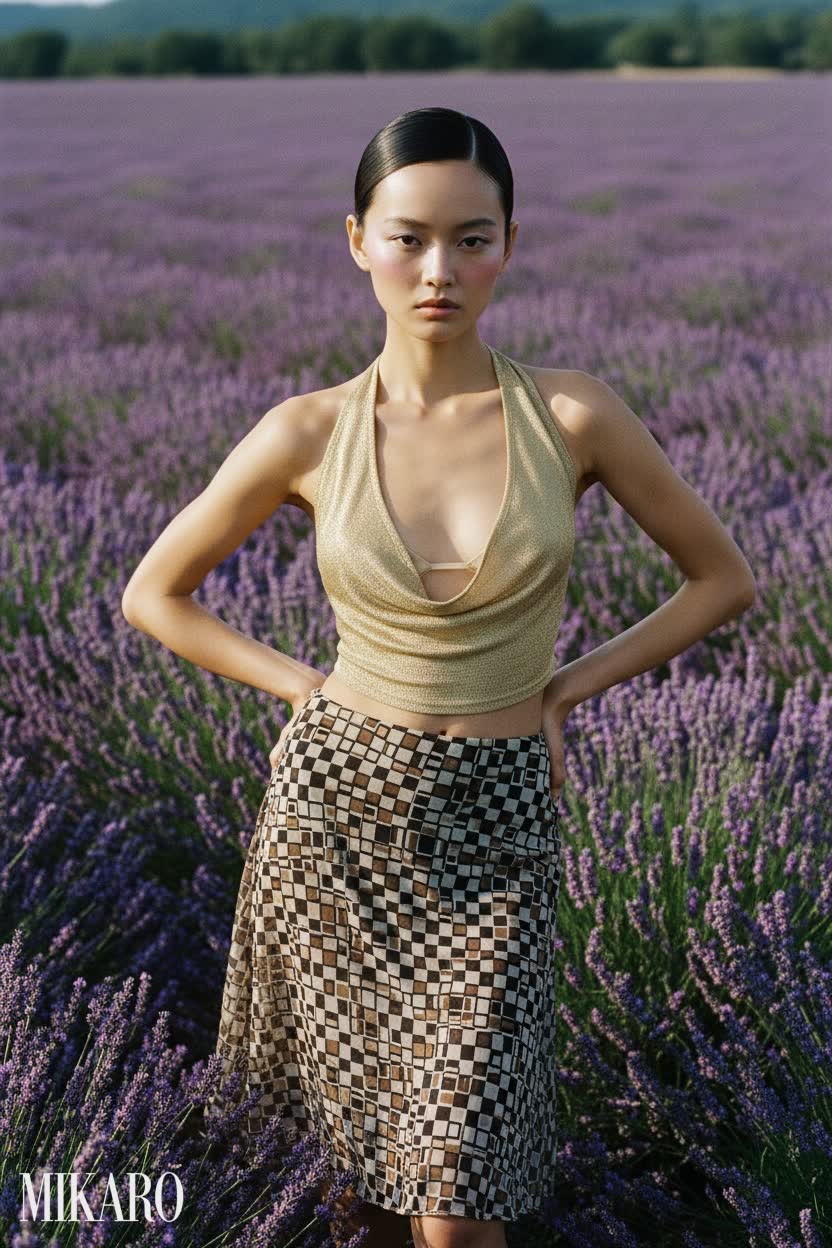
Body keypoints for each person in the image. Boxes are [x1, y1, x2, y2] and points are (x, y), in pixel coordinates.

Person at [121, 106, 756, 1248]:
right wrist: (305, 690)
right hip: (335, 820)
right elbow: (153, 594)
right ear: (356, 240)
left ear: (510, 242)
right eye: (408, 237)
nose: (439, 270)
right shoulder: (307, 432)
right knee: (354, 1188)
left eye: (472, 238)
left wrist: (561, 690)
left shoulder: (572, 414)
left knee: (458, 1197)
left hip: (499, 824)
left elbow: (722, 580)